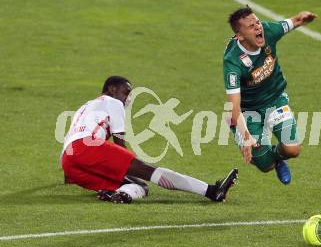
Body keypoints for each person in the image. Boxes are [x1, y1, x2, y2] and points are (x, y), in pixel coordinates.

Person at [61, 75, 238, 203]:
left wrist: (69, 175)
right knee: (150, 172)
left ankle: (122, 195)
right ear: (112, 89)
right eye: (126, 92)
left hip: (69, 162)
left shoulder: (84, 107)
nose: (128, 98)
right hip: (88, 148)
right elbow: (119, 141)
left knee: (139, 185)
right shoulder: (113, 102)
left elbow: (72, 138)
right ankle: (212, 191)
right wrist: (136, 165)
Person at [223, 6, 316, 185]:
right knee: (266, 166)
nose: (258, 27)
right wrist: (247, 136)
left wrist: (302, 17)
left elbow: (291, 22)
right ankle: (239, 131)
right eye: (251, 26)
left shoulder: (267, 31)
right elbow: (234, 106)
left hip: (275, 99)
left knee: (293, 150)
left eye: (257, 22)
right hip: (247, 110)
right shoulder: (233, 62)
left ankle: (279, 156)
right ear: (240, 36)